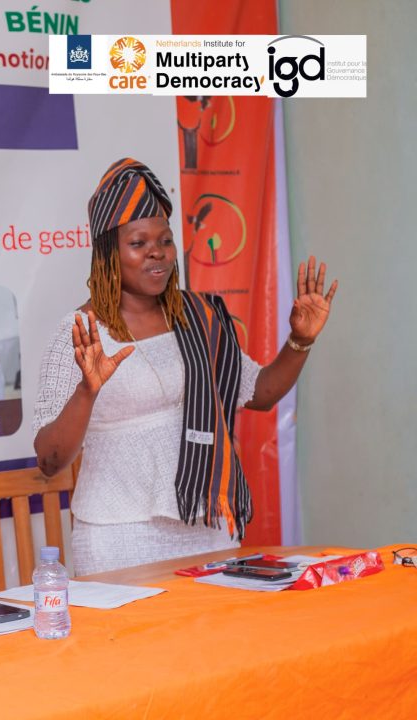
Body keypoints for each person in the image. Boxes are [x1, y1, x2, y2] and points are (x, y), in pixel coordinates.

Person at [33, 158, 337, 576]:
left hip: (206, 526)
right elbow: (50, 460)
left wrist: (301, 340)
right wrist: (88, 390)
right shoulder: (81, 331)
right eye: (138, 243)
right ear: (108, 254)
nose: (157, 252)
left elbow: (260, 393)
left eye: (165, 240)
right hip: (118, 535)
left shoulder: (200, 317)